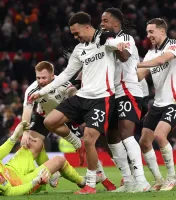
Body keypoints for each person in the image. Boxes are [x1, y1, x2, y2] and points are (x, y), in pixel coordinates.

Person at [29, 11, 128, 194]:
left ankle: (90, 184)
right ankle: (77, 143)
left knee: (90, 139)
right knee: (49, 121)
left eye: (77, 33)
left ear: (87, 27)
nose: (75, 37)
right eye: (73, 34)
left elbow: (114, 43)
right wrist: (41, 91)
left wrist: (120, 44)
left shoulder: (103, 38)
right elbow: (66, 74)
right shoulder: (79, 49)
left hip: (102, 97)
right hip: (82, 96)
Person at [21, 61, 115, 191]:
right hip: (43, 116)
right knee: (31, 144)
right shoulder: (32, 90)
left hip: (65, 116)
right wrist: (25, 133)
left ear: (53, 76)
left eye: (44, 78)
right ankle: (52, 172)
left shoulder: (62, 83)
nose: (41, 81)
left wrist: (75, 95)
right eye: (38, 77)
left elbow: (72, 92)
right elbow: (27, 111)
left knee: (88, 146)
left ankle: (104, 179)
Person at [100, 8, 150, 192]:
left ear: (115, 23)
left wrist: (111, 44)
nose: (102, 24)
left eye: (105, 21)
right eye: (101, 21)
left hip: (128, 90)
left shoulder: (125, 38)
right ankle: (128, 180)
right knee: (111, 135)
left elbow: (125, 55)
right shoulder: (107, 41)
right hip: (114, 93)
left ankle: (142, 181)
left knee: (126, 133)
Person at [0, 122, 85, 196]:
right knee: (59, 160)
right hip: (19, 183)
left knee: (36, 143)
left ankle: (52, 176)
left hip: (10, 170)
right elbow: (9, 191)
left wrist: (14, 137)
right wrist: (35, 182)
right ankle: (83, 182)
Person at [137, 18, 176, 191]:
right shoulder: (150, 54)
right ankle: (158, 179)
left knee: (160, 136)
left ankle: (172, 178)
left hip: (173, 102)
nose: (148, 36)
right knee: (144, 142)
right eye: (147, 32)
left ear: (162, 31)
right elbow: (139, 75)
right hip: (158, 104)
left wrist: (135, 63)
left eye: (151, 32)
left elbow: (162, 61)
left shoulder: (173, 45)